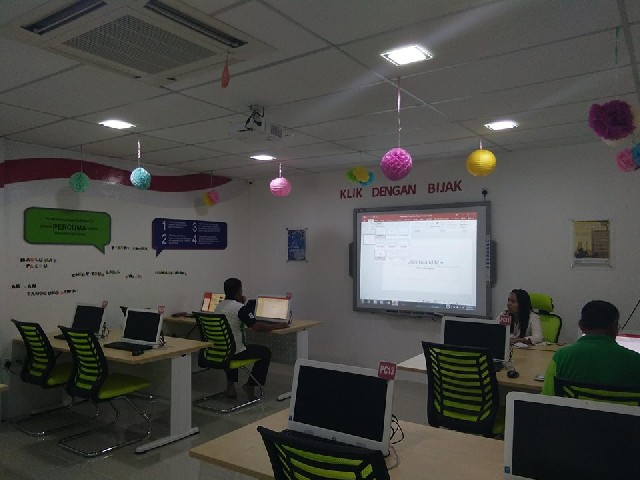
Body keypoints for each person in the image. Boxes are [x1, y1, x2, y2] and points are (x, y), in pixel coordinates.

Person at [541, 300, 640, 395]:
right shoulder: (636, 360)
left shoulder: (562, 357)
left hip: (575, 407)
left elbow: (548, 396)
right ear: (615, 328)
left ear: (581, 325)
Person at [214, 277, 288, 400]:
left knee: (230, 345)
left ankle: (230, 387)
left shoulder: (219, 306)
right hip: (234, 353)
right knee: (265, 352)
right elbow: (256, 326)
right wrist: (276, 326)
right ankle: (250, 385)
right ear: (239, 291)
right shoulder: (240, 308)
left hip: (220, 351)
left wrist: (242, 304)